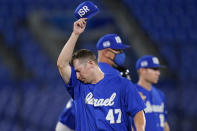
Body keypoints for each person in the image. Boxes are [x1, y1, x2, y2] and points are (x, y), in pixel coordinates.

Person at [57, 18, 146, 131]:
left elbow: (138, 112)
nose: (77, 75)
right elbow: (62, 64)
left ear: (90, 64)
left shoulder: (122, 83)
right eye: (117, 50)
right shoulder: (78, 86)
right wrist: (75, 34)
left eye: (78, 71)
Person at [134, 55, 170, 131]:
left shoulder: (160, 94)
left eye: (158, 69)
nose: (158, 73)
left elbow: (164, 123)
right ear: (142, 70)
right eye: (154, 69)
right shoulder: (132, 92)